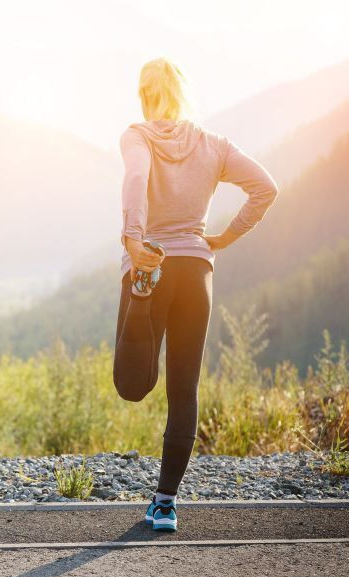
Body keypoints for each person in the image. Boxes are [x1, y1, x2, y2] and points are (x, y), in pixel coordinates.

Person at [112, 57, 279, 531]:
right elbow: (265, 188)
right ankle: (165, 504)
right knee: (184, 390)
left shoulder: (137, 135)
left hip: (151, 262)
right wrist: (224, 238)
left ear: (143, 94)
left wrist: (134, 237)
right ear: (182, 93)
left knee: (132, 386)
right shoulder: (214, 145)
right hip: (197, 271)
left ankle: (142, 294)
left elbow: (135, 180)